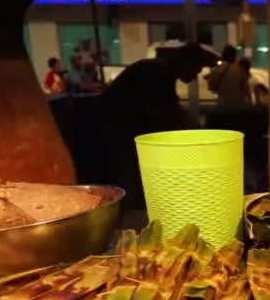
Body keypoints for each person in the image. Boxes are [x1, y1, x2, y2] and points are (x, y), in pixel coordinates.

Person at [101, 45, 212, 206]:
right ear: (186, 63)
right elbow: (162, 114)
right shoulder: (158, 72)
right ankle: (134, 212)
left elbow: (169, 111)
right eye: (197, 69)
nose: (195, 76)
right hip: (119, 126)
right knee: (131, 174)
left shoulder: (161, 70)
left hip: (126, 126)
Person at [208, 44, 250, 109]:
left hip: (222, 104)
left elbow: (211, 87)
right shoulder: (239, 69)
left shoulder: (216, 69)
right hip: (237, 105)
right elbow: (245, 89)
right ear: (234, 56)